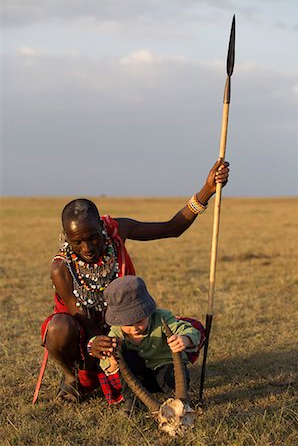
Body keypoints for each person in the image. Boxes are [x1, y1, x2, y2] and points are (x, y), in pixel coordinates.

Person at [40, 159, 229, 402]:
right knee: (58, 328)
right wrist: (97, 342)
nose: (87, 248)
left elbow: (172, 228)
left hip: (126, 326)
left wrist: (207, 190)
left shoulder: (118, 231)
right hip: (88, 334)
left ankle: (140, 370)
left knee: (182, 330)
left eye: (93, 238)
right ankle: (74, 378)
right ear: (66, 237)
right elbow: (82, 318)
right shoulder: (61, 268)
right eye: (77, 242)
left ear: (101, 226)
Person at [99, 275, 202, 413]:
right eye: (128, 324)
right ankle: (133, 403)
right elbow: (107, 366)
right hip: (138, 380)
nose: (134, 328)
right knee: (127, 358)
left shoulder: (163, 318)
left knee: (172, 375)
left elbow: (192, 332)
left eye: (139, 321)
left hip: (165, 371)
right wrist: (112, 360)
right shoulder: (116, 333)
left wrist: (184, 339)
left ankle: (178, 401)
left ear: (148, 312)